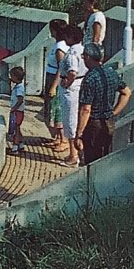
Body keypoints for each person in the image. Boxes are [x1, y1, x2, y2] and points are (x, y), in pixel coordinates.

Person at [76, 42, 131, 166]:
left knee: (92, 160)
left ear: (88, 57)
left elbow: (86, 109)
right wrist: (114, 112)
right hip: (108, 122)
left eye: (84, 56)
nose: (83, 58)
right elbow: (126, 92)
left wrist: (79, 134)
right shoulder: (111, 73)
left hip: (93, 124)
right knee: (105, 156)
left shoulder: (89, 78)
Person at [57, 25, 87, 167]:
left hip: (72, 88)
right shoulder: (83, 50)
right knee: (77, 118)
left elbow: (72, 72)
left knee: (70, 119)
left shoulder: (72, 54)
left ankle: (73, 155)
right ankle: (79, 153)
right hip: (81, 84)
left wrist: (67, 83)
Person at [42, 18, 69, 151]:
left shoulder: (60, 48)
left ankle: (64, 140)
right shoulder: (57, 45)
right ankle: (58, 138)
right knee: (52, 108)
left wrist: (53, 86)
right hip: (50, 76)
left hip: (55, 80)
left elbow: (61, 68)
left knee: (57, 109)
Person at [7, 65, 27, 153]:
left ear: (15, 77)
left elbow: (20, 99)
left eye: (12, 76)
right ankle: (21, 144)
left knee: (16, 129)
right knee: (18, 128)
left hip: (17, 111)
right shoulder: (19, 86)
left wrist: (14, 108)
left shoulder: (19, 88)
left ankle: (15, 147)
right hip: (19, 111)